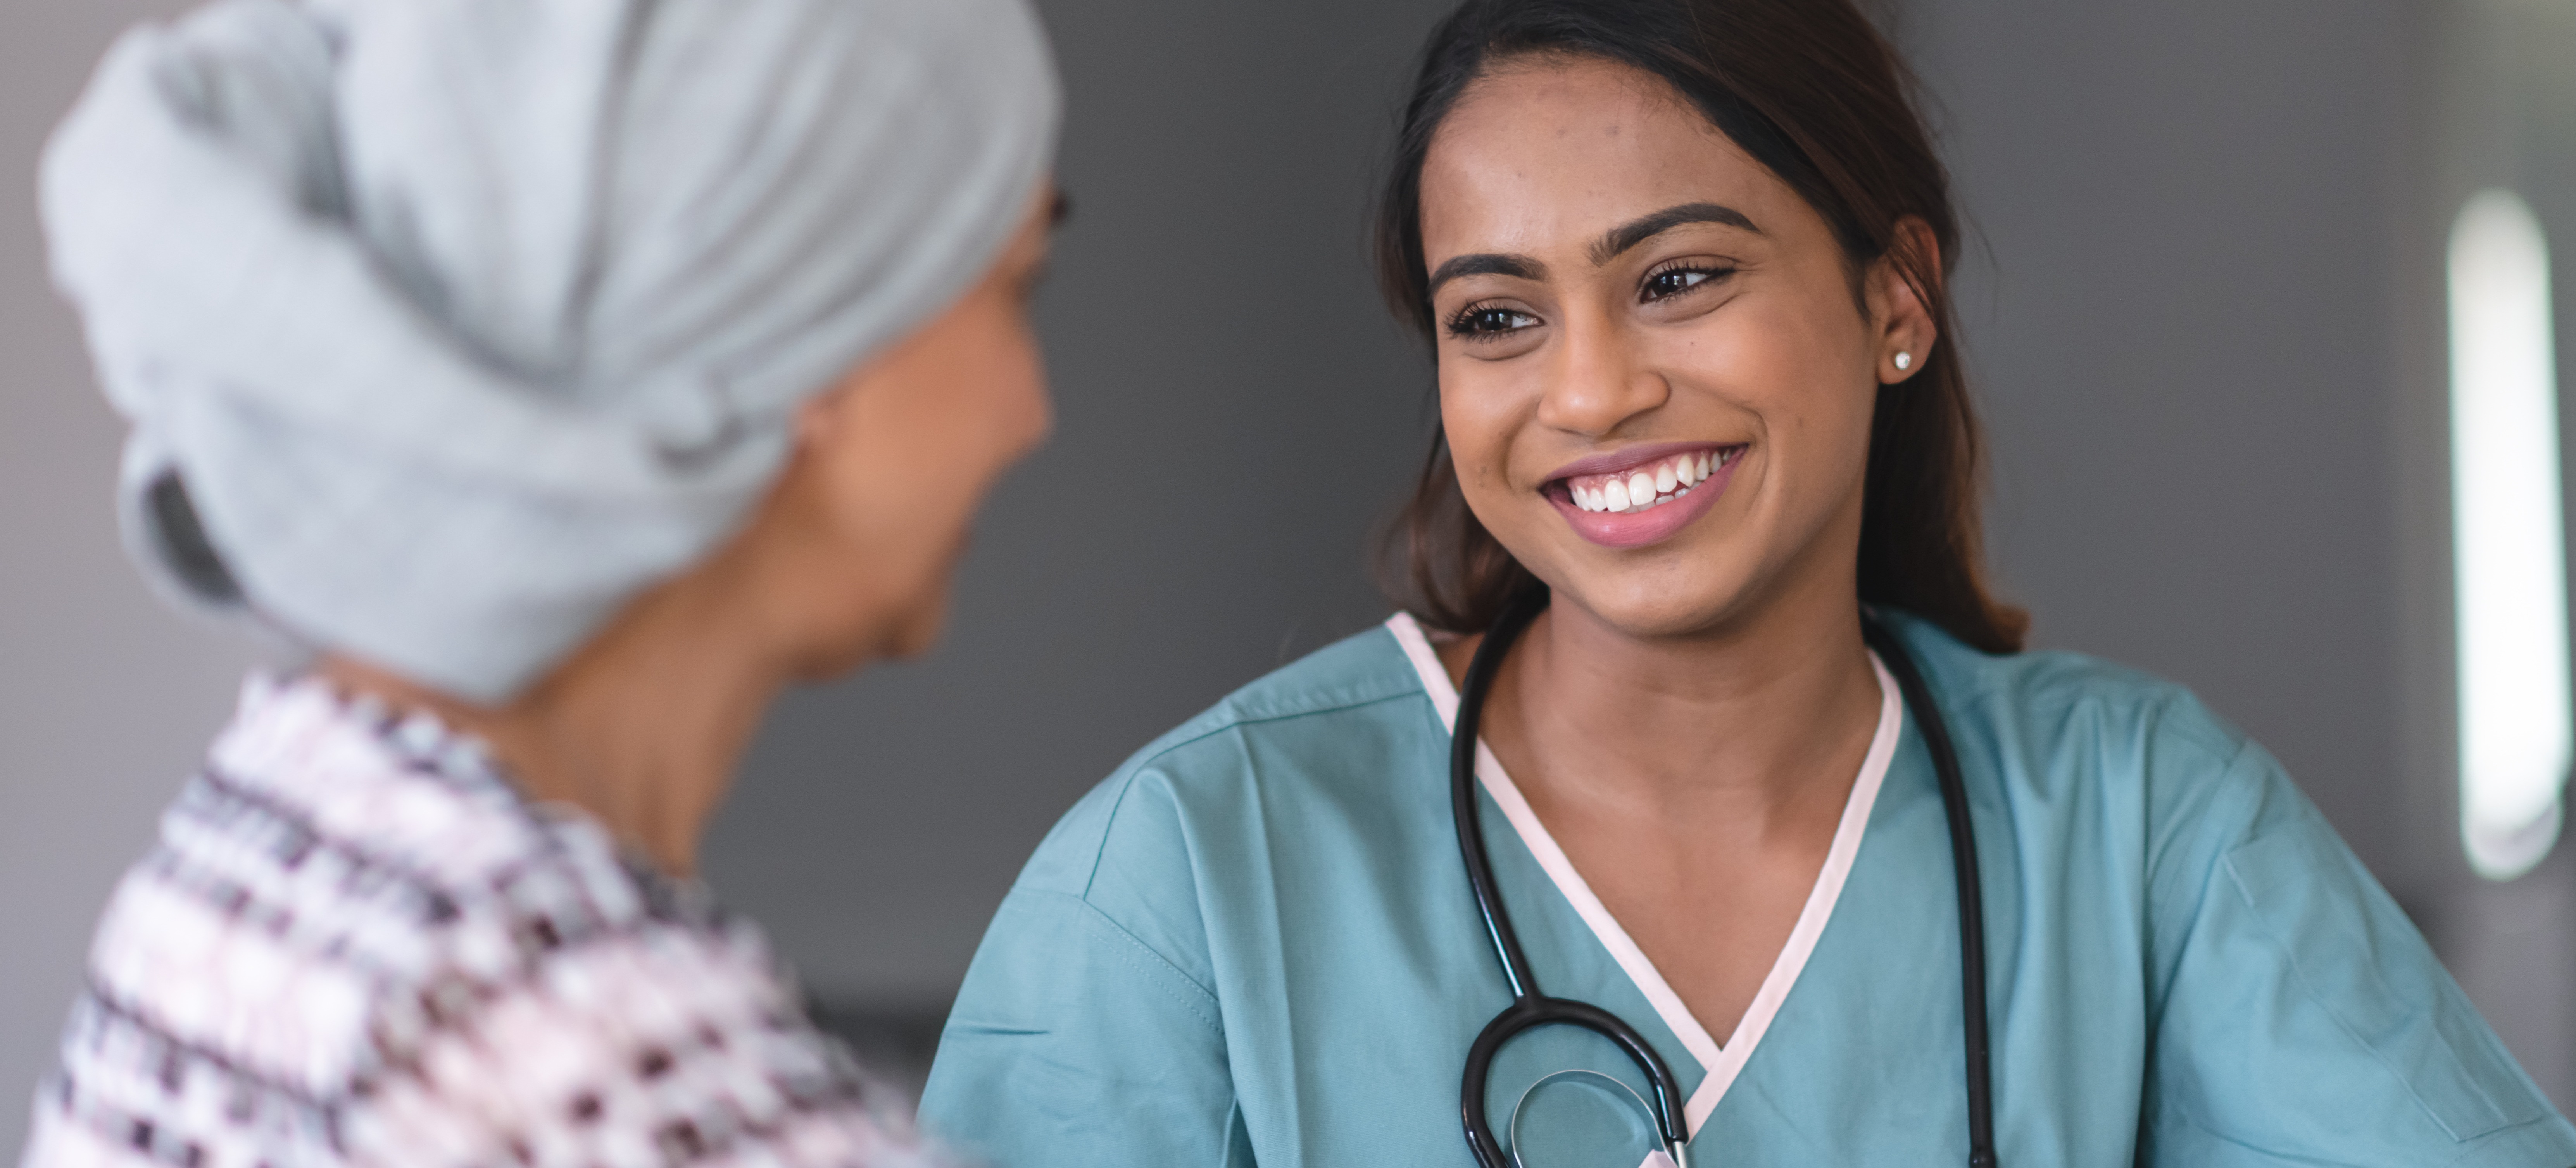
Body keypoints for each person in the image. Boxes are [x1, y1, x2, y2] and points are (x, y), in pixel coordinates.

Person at [916, 0, 2576, 1164]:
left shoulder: (2140, 825)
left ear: (1897, 297)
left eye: (1680, 277)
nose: (1587, 391)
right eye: (1496, 317)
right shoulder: (1191, 878)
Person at [23, 0, 1058, 1164]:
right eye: (1011, 290)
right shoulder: (582, 1064)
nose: (1030, 413)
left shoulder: (278, 832)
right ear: (802, 351)